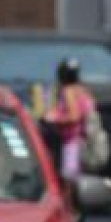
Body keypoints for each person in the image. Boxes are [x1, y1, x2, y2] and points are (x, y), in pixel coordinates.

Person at [43, 57, 96, 206]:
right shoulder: (83, 91)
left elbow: (74, 116)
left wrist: (54, 118)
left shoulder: (68, 92)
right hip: (80, 140)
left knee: (67, 179)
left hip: (70, 141)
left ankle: (69, 209)